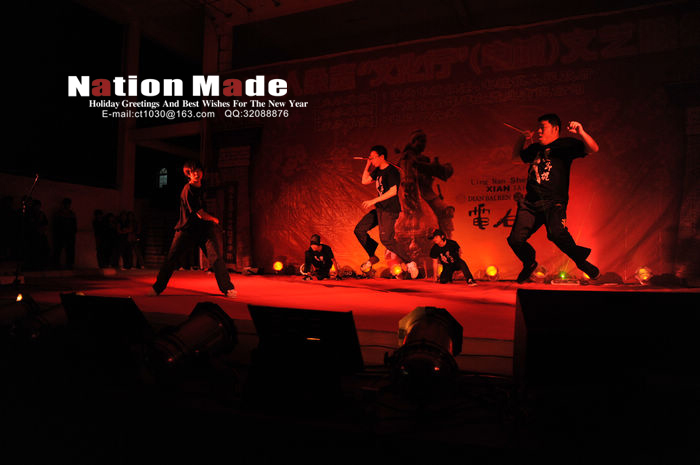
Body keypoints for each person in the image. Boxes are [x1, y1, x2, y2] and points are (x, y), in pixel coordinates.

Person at [507, 113, 600, 283]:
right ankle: (529, 262)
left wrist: (581, 131)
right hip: (530, 203)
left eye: (543, 127)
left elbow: (593, 149)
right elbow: (515, 159)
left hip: (553, 202)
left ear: (555, 128)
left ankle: (582, 262)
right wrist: (521, 139)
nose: (539, 131)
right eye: (538, 128)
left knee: (556, 234)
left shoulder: (565, 145)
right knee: (515, 240)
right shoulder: (535, 149)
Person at [149, 160, 236, 297]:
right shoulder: (187, 190)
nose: (196, 174)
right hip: (187, 230)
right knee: (171, 259)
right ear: (188, 174)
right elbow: (200, 213)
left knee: (216, 258)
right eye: (192, 172)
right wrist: (214, 219)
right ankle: (157, 288)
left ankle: (227, 288)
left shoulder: (203, 187)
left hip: (204, 231)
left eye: (198, 170)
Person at [354, 145, 419, 279]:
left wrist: (373, 200)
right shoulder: (378, 170)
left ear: (382, 157)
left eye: (373, 158)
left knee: (387, 240)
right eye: (370, 158)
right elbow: (364, 181)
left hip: (389, 210)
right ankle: (372, 256)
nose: (371, 160)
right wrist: (367, 165)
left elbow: (393, 191)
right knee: (359, 230)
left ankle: (410, 262)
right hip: (380, 209)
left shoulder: (392, 171)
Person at [52, 198, 77, 269]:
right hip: (60, 235)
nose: (67, 205)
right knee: (58, 249)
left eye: (68, 204)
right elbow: (55, 225)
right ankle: (56, 264)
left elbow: (74, 225)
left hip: (69, 235)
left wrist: (73, 233)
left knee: (70, 250)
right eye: (66, 204)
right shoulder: (58, 214)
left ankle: (70, 264)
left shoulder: (72, 214)